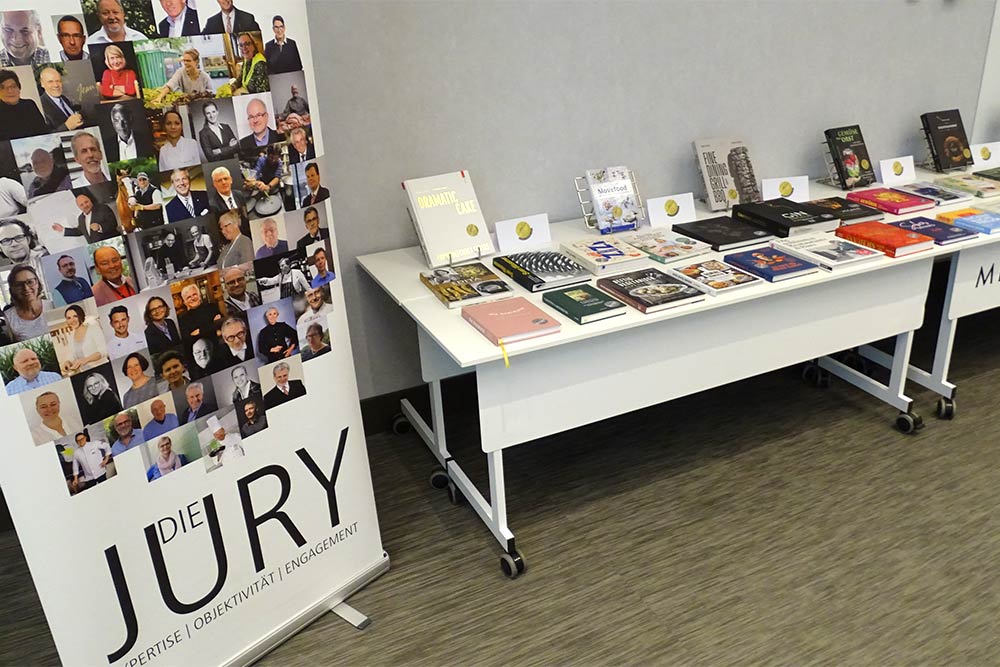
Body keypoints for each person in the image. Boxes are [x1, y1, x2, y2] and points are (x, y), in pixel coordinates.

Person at [57, 304, 107, 375]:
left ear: (81, 316)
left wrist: (85, 360)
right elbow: (72, 355)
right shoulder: (70, 336)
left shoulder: (93, 328)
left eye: (75, 316)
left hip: (102, 369)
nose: (72, 320)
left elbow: (103, 351)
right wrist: (68, 362)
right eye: (69, 318)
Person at [53, 190, 119, 243]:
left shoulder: (102, 208)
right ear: (79, 207)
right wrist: (63, 229)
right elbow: (79, 231)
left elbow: (113, 223)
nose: (85, 205)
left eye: (86, 202)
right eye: (81, 205)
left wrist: (99, 227)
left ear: (90, 200)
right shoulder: (80, 218)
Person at [0, 69, 47, 139]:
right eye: (3, 88)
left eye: (13, 86)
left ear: (19, 88)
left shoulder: (30, 105)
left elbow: (44, 132)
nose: (10, 91)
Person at [4, 265, 46, 341]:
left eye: (30, 282)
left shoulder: (53, 305)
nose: (26, 288)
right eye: (19, 285)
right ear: (12, 289)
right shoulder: (8, 318)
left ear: (37, 283)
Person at [38, 67, 84, 132]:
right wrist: (67, 126)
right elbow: (46, 135)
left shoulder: (64, 99)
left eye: (58, 81)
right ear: (42, 84)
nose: (56, 85)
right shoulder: (41, 105)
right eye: (50, 82)